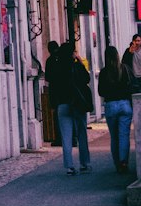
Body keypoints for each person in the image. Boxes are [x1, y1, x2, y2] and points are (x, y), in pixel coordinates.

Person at [45, 40, 92, 176]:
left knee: (66, 137)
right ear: (72, 53)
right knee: (81, 134)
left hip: (62, 105)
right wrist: (79, 61)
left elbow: (52, 87)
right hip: (77, 104)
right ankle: (84, 163)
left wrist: (54, 104)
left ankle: (69, 166)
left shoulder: (56, 67)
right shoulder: (76, 66)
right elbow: (87, 79)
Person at [98, 43, 138, 174]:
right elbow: (132, 85)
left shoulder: (104, 73)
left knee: (114, 137)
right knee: (124, 135)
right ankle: (124, 162)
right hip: (125, 105)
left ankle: (117, 163)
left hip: (111, 106)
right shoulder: (125, 69)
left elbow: (100, 92)